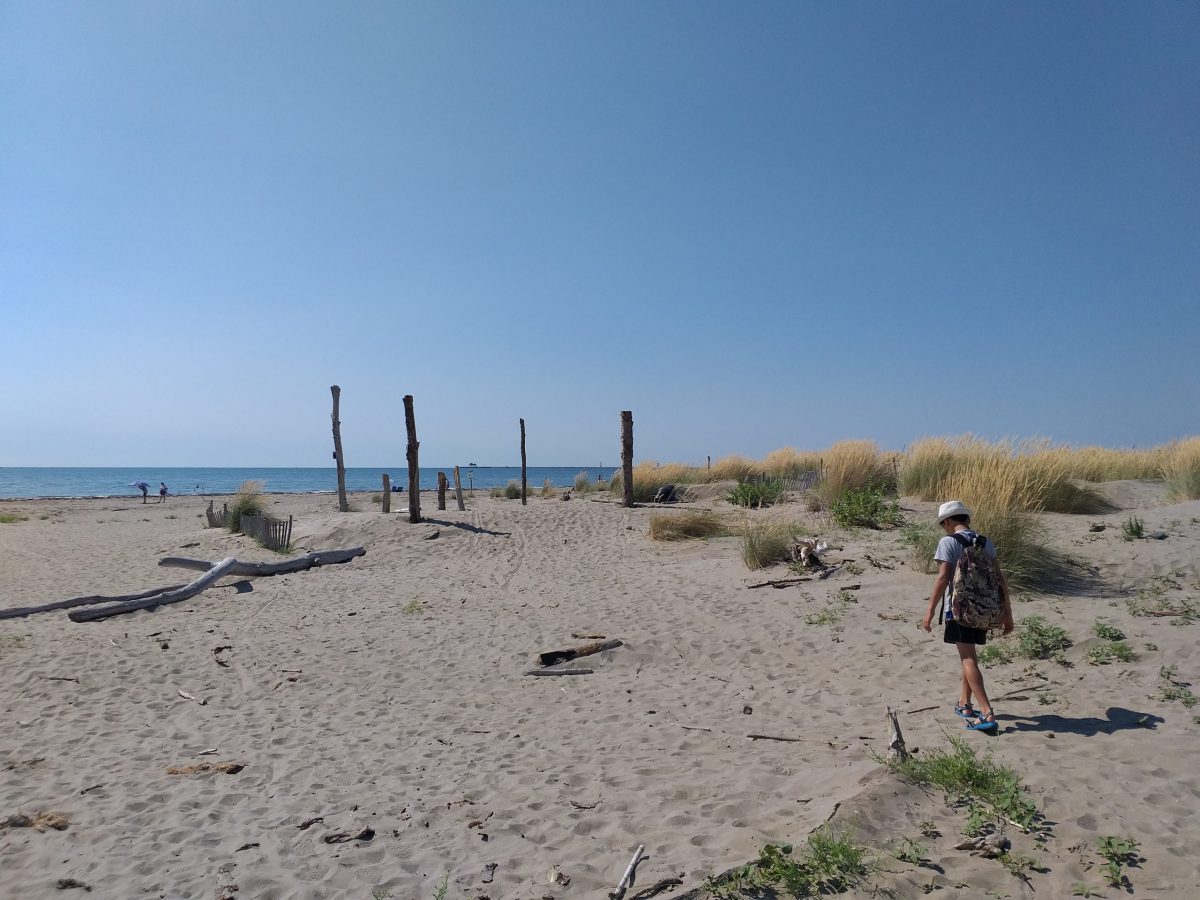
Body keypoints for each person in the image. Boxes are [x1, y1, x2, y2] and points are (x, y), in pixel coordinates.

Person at [921, 500, 1013, 732]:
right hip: (984, 608)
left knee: (967, 659)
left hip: (959, 609)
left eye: (943, 523)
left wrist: (930, 610)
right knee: (969, 655)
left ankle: (986, 712)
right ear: (967, 519)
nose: (944, 527)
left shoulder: (948, 542)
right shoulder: (985, 542)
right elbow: (1000, 578)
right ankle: (965, 704)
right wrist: (1007, 612)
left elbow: (943, 577)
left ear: (949, 521)